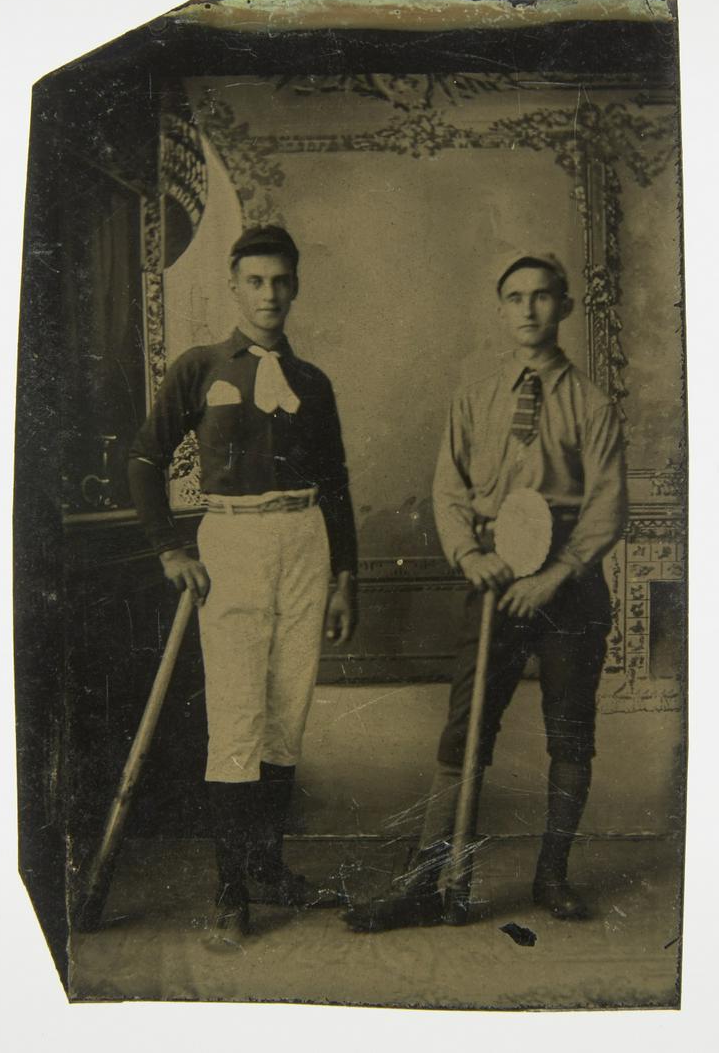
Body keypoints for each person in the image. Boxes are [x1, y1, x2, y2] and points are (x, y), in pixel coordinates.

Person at [345, 251, 627, 933]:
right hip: (495, 579)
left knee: (571, 733)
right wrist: (472, 555)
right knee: (465, 728)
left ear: (562, 306)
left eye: (541, 296)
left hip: (569, 581)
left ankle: (552, 873)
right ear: (501, 309)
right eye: (514, 297)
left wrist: (555, 576)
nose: (528, 309)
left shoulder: (590, 403)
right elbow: (448, 490)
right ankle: (434, 879)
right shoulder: (474, 397)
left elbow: (606, 505)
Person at [128, 225, 358, 948]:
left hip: (305, 541)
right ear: (234, 286)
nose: (268, 295)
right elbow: (143, 459)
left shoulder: (314, 382)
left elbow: (340, 486)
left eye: (280, 281)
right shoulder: (199, 368)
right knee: (235, 719)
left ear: (295, 286)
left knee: (287, 711)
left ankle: (269, 866)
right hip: (230, 542)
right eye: (255, 281)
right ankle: (230, 892)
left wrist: (346, 579)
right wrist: (169, 548)